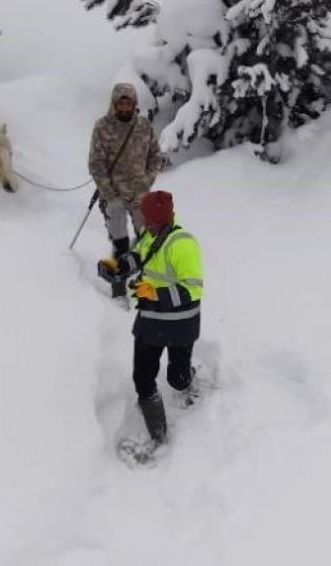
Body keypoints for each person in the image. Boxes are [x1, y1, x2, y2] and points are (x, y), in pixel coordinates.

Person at [127, 190, 203, 444]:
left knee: (177, 379)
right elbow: (139, 257)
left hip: (180, 323)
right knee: (143, 378)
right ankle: (158, 435)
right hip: (150, 321)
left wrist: (155, 294)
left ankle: (187, 379)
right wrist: (116, 267)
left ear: (165, 220)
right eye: (144, 221)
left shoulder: (182, 244)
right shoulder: (147, 235)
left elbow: (193, 289)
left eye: (151, 223)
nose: (146, 226)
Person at [88, 83, 162, 269]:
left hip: (140, 193)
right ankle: (118, 277)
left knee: (145, 237)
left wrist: (148, 180)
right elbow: (96, 164)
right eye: (119, 103)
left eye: (128, 103)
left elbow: (155, 156)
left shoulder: (144, 125)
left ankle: (144, 273)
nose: (123, 107)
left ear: (134, 103)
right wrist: (109, 194)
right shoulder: (102, 127)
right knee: (119, 238)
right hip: (114, 193)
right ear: (114, 104)